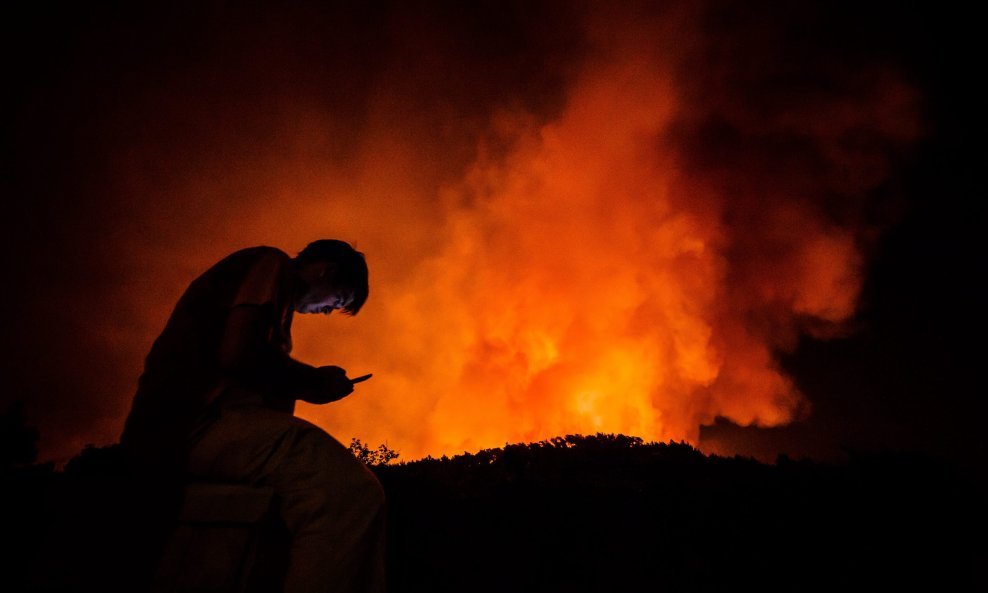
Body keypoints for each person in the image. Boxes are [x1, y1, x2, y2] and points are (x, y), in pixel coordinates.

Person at [119, 240, 385, 593]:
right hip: (191, 422)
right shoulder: (270, 263)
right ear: (326, 270)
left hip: (175, 427)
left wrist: (307, 385)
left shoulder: (275, 309)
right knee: (350, 492)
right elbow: (239, 354)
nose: (324, 312)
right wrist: (313, 382)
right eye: (335, 301)